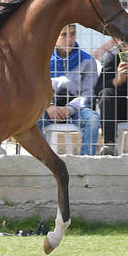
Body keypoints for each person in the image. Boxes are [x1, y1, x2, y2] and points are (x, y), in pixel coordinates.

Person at [38, 23, 101, 156]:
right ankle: (44, 160)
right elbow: (35, 89)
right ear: (54, 36)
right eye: (64, 34)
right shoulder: (42, 59)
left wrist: (69, 109)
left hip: (76, 110)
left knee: (93, 119)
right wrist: (48, 106)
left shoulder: (88, 61)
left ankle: (86, 164)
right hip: (46, 108)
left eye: (72, 34)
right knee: (30, 120)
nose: (69, 39)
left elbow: (88, 95)